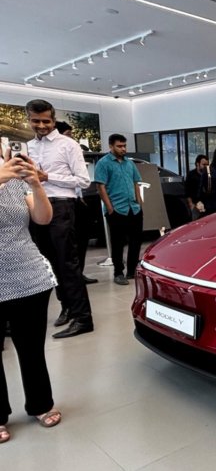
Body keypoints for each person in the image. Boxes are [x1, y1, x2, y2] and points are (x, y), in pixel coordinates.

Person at [0, 149, 63, 443]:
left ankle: (40, 404)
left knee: (31, 347)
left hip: (28, 277)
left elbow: (43, 218)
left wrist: (36, 184)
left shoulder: (14, 180)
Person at [25, 99, 93, 339]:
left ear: (53, 120)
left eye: (46, 121)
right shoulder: (27, 147)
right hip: (35, 205)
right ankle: (67, 308)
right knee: (49, 263)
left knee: (67, 262)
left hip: (62, 206)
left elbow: (83, 181)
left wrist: (47, 177)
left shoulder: (68, 145)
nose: (41, 125)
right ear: (29, 120)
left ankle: (83, 318)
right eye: (36, 121)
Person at [94, 134, 144, 286]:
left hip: (133, 208)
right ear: (111, 146)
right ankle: (118, 273)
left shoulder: (129, 163)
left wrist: (139, 203)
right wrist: (110, 208)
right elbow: (100, 186)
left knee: (136, 241)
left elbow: (136, 183)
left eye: (124, 146)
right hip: (117, 209)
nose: (123, 149)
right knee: (118, 243)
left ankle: (132, 270)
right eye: (119, 146)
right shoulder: (103, 163)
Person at [55, 121, 97, 285]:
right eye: (68, 134)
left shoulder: (73, 151)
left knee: (81, 240)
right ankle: (67, 277)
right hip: (60, 204)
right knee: (67, 244)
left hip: (77, 201)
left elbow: (82, 180)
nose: (72, 137)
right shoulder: (55, 156)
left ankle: (79, 274)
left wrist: (80, 197)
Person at [185, 155, 208, 220]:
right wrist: (191, 204)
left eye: (207, 164)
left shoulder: (208, 175)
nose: (206, 166)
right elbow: (187, 191)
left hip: (206, 204)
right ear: (198, 164)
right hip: (195, 204)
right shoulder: (191, 175)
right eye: (204, 164)